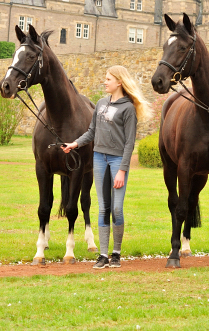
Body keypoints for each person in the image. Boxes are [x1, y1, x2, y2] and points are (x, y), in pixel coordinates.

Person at [62, 66, 150, 269]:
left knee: (117, 208)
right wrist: (74, 144)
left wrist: (122, 170)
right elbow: (92, 131)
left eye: (108, 79)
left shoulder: (128, 108)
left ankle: (116, 253)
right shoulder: (101, 104)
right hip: (99, 159)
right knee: (103, 208)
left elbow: (129, 143)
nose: (105, 81)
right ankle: (102, 255)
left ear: (119, 82)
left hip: (117, 161)